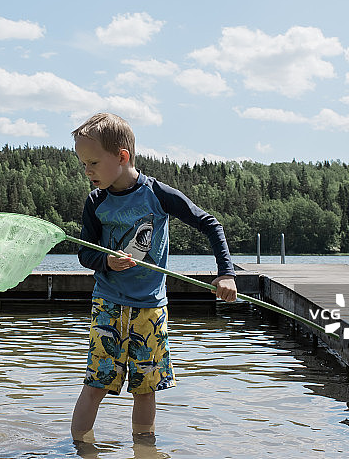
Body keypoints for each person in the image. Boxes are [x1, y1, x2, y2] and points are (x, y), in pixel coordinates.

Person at [69, 112, 237, 444]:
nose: (87, 171)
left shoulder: (156, 195)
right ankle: (79, 449)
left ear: (122, 156)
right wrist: (106, 261)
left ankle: (144, 448)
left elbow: (211, 224)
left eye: (92, 162)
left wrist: (226, 274)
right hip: (109, 305)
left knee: (145, 389)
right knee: (96, 384)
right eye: (82, 163)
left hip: (150, 308)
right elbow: (85, 254)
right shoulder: (95, 201)